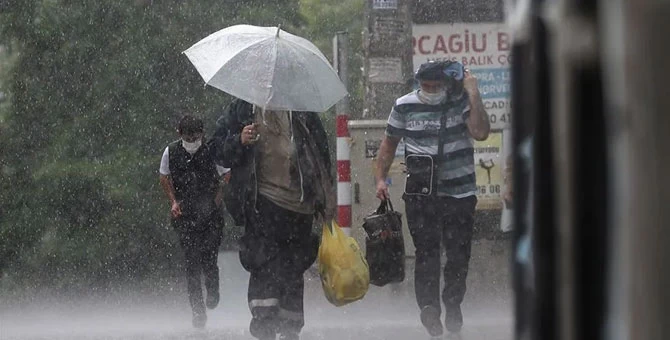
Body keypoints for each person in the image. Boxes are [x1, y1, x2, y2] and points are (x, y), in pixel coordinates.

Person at [374, 61, 490, 337]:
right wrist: (381, 178)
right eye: (425, 86)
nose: (430, 91)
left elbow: (480, 132)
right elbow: (388, 145)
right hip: (420, 195)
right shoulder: (404, 105)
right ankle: (429, 307)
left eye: (436, 87)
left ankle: (452, 301)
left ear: (446, 85)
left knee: (458, 254)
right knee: (427, 252)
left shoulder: (460, 102)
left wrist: (473, 94)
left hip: (459, 193)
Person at [213, 99, 335, 340]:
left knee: (293, 266)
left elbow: (320, 155)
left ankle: (290, 328)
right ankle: (265, 325)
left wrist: (324, 200)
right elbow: (217, 151)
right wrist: (239, 140)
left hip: (300, 206)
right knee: (264, 262)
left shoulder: (302, 111)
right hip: (261, 202)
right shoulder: (243, 109)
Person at [159, 115, 229, 329]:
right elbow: (164, 176)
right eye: (188, 137)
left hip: (210, 215)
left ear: (202, 135)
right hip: (185, 216)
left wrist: (217, 199)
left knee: (209, 257)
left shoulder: (211, 151)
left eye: (196, 137)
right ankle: (198, 311)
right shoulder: (170, 152)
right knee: (191, 263)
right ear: (180, 134)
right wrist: (173, 202)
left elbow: (226, 175)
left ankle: (213, 288)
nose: (192, 141)